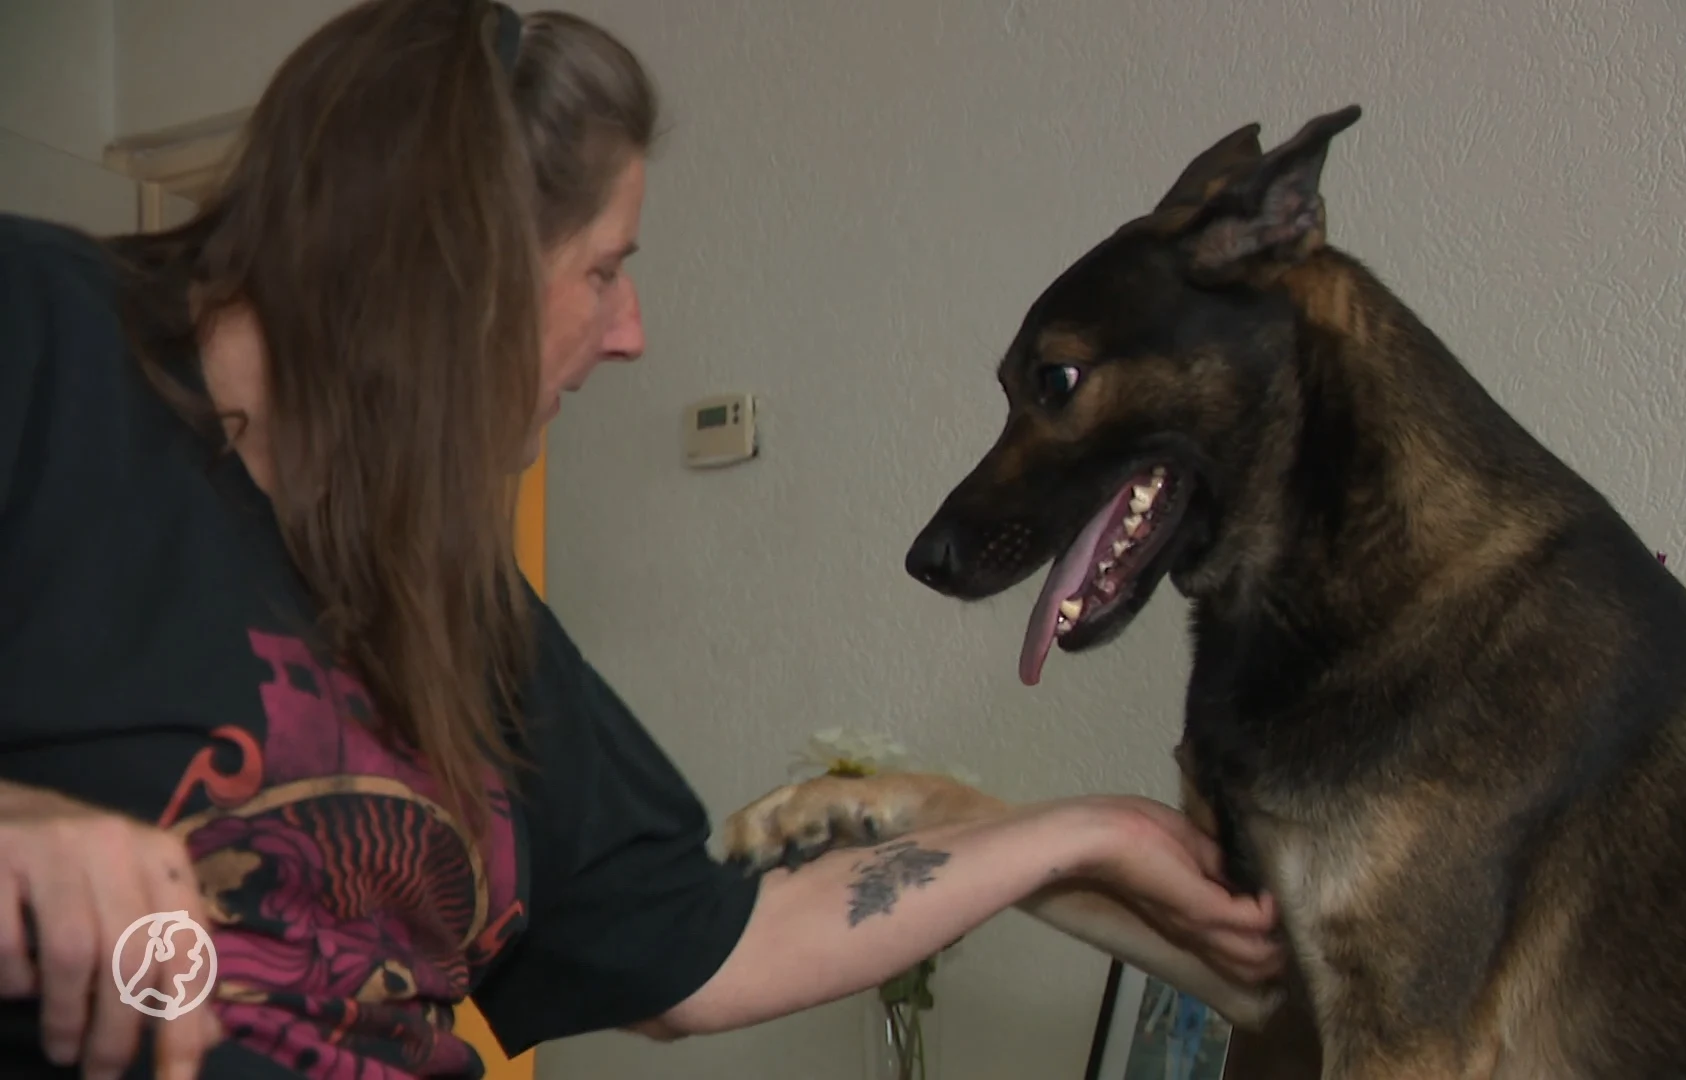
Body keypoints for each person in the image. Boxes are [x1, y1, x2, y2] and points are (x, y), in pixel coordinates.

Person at [0, 2, 1283, 1078]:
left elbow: (714, 951)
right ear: (465, 269)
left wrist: (1083, 835)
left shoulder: (461, 613)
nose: (631, 334)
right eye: (604, 269)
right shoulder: (43, 342)